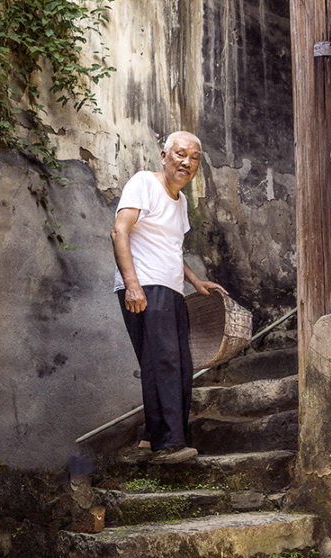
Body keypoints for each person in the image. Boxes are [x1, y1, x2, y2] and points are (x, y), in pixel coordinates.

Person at [111, 131, 225, 463]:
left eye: (193, 158)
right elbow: (120, 230)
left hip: (171, 290)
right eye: (180, 154)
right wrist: (132, 284)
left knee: (179, 365)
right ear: (164, 156)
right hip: (144, 287)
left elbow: (172, 251)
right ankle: (169, 443)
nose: (186, 162)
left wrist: (195, 281)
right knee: (163, 362)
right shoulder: (144, 182)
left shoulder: (182, 202)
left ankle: (151, 437)